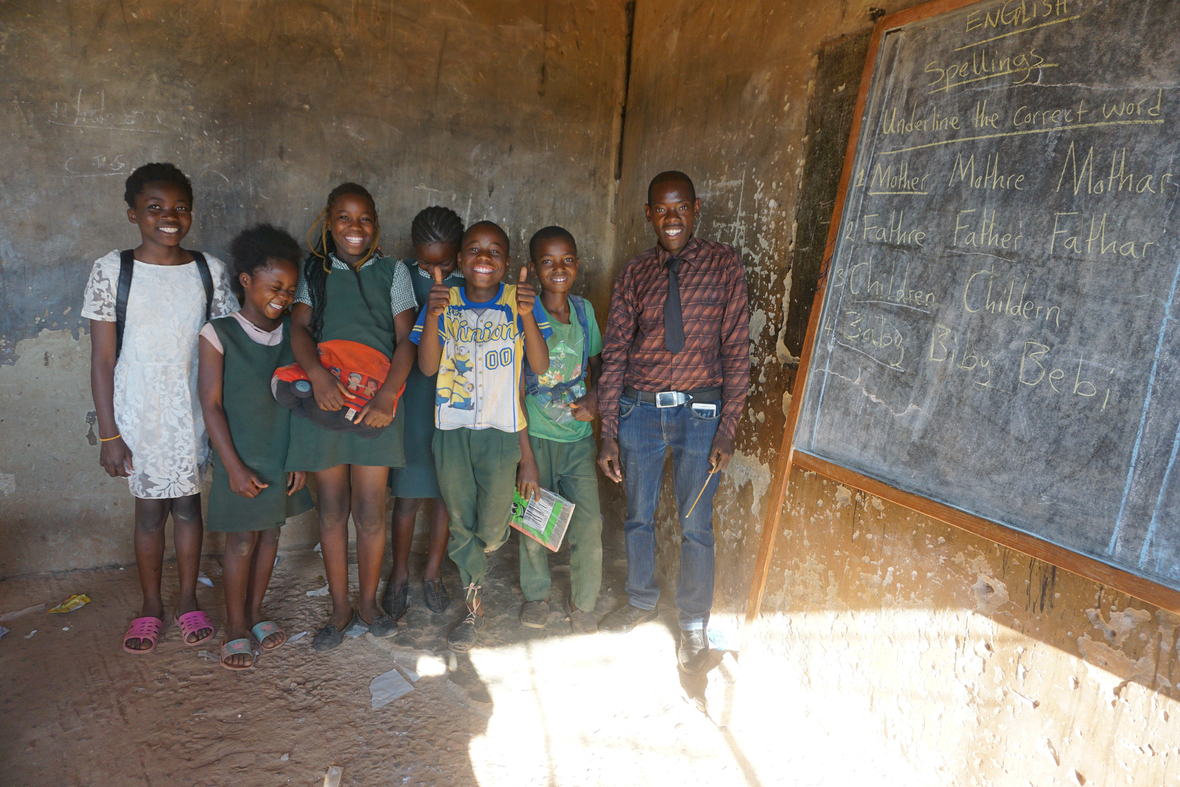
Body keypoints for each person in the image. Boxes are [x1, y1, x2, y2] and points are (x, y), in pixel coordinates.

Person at [597, 170, 750, 674]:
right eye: (661, 209)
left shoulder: (724, 265)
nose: (671, 218)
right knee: (638, 516)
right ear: (648, 214)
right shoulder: (635, 273)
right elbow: (616, 350)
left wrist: (727, 427)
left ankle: (692, 624)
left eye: (680, 207)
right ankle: (640, 601)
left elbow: (736, 351)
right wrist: (608, 431)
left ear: (696, 207)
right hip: (639, 411)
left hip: (700, 415)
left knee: (695, 527)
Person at [83, 162, 238, 655]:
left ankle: (188, 598)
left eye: (179, 208)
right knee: (150, 512)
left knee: (190, 507)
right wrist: (109, 434)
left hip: (193, 407)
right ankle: (151, 604)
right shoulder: (114, 270)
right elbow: (103, 359)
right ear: (133, 214)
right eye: (154, 208)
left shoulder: (208, 271)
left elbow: (224, 347)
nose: (168, 217)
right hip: (140, 413)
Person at [288, 183, 417, 651]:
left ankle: (368, 605)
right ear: (328, 221)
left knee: (369, 510)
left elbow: (407, 339)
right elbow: (299, 328)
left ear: (376, 224)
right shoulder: (315, 272)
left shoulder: (394, 272)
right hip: (326, 405)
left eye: (364, 219)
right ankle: (340, 609)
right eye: (344, 217)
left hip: (376, 408)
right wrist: (317, 376)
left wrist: (387, 396)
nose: (354, 228)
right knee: (332, 510)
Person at [413, 221, 551, 652]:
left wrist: (527, 314)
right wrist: (434, 315)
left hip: (500, 431)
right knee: (459, 522)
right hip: (452, 431)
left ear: (508, 263)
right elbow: (427, 368)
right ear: (459, 260)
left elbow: (541, 367)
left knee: (491, 532)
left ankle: (482, 554)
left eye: (495, 251)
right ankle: (473, 607)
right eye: (474, 249)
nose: (484, 258)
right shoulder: (443, 300)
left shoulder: (519, 300)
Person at [197, 224, 313, 670]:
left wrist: (299, 458)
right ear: (246, 280)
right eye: (273, 286)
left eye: (289, 288)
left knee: (270, 535)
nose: (283, 296)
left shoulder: (294, 336)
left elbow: (303, 405)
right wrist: (233, 468)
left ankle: (256, 611)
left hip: (281, 455)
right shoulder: (218, 334)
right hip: (239, 459)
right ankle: (234, 626)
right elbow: (210, 405)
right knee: (241, 541)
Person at [514, 226, 604, 635]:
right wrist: (526, 458)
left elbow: (600, 368)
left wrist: (596, 399)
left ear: (577, 265)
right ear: (533, 269)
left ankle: (583, 602)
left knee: (589, 523)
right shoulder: (525, 314)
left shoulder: (584, 313)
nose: (559, 268)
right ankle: (537, 595)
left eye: (567, 259)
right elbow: (514, 386)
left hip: (577, 441)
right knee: (534, 520)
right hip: (536, 438)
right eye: (547, 262)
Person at [384, 206, 466, 619]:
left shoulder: (471, 281)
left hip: (455, 399)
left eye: (445, 264)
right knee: (408, 495)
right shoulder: (400, 276)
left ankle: (432, 572)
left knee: (445, 495)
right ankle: (398, 574)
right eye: (426, 262)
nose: (436, 273)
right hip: (412, 399)